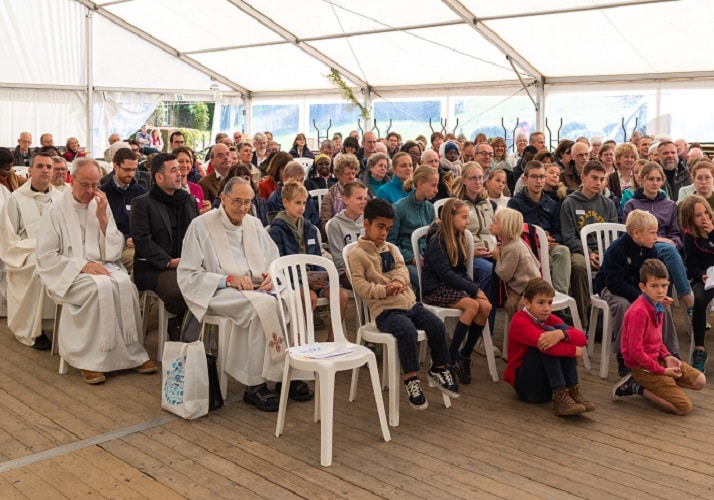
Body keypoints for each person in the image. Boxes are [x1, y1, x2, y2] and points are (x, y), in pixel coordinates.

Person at [178, 177, 309, 411]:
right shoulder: (201, 225)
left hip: (257, 286)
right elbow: (188, 273)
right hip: (219, 290)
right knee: (262, 307)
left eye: (247, 202)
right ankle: (255, 384)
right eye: (237, 201)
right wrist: (227, 279)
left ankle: (287, 373)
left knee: (291, 299)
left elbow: (272, 257)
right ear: (223, 199)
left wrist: (271, 274)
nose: (242, 208)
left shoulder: (254, 224)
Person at [36, 157, 156, 384]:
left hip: (102, 265)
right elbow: (46, 256)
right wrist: (81, 265)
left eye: (95, 185)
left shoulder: (99, 204)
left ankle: (131, 354)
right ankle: (89, 360)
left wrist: (102, 218)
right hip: (68, 273)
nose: (91, 191)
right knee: (96, 291)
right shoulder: (56, 210)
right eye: (85, 185)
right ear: (72, 181)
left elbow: (113, 251)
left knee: (126, 286)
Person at [347, 198, 458, 410]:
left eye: (388, 229)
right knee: (407, 332)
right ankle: (411, 379)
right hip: (386, 311)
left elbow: (403, 270)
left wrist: (399, 281)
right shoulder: (357, 255)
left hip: (409, 304)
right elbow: (361, 286)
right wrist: (384, 290)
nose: (384, 233)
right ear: (367, 224)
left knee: (436, 324)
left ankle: (439, 368)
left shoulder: (392, 248)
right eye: (380, 227)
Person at [612, 259, 706, 415]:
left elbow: (656, 339)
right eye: (654, 286)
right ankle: (635, 386)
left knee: (700, 381)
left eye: (664, 286)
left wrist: (667, 356)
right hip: (641, 367)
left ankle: (662, 385)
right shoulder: (639, 312)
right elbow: (635, 352)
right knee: (683, 407)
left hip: (657, 358)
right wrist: (663, 371)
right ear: (643, 287)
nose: (661, 291)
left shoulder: (658, 305)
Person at [594, 209, 681, 375]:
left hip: (639, 289)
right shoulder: (616, 250)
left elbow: (658, 274)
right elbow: (614, 283)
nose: (656, 237)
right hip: (610, 287)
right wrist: (642, 297)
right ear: (636, 233)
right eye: (653, 233)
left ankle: (670, 351)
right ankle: (623, 355)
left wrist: (661, 294)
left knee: (662, 306)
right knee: (622, 306)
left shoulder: (650, 248)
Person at [421, 199, 492, 384]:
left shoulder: (459, 237)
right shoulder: (437, 240)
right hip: (436, 287)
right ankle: (449, 359)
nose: (467, 222)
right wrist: (473, 289)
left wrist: (474, 288)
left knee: (486, 307)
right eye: (464, 217)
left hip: (452, 285)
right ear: (450, 217)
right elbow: (445, 274)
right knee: (472, 306)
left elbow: (460, 271)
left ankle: (465, 355)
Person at [269, 181, 348, 342]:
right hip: (291, 281)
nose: (302, 207)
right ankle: (304, 342)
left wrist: (320, 276)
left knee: (341, 296)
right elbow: (279, 265)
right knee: (309, 297)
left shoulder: (310, 228)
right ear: (285, 202)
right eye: (297, 203)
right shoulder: (276, 230)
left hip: (312, 280)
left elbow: (317, 258)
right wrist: (304, 281)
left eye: (304, 203)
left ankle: (332, 343)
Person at [131, 153, 198, 339]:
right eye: (174, 170)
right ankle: (181, 330)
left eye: (180, 169)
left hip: (188, 263)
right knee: (180, 289)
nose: (180, 173)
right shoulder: (142, 203)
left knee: (210, 284)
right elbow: (142, 241)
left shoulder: (188, 201)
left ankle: (194, 334)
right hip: (156, 267)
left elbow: (198, 235)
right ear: (159, 177)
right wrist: (169, 262)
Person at [504, 278, 594, 416]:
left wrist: (561, 334)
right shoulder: (519, 320)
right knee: (548, 335)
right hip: (527, 387)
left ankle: (571, 390)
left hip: (546, 386)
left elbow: (582, 338)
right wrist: (574, 351)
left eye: (550, 302)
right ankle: (560, 395)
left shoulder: (549, 318)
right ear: (527, 303)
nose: (547, 308)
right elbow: (547, 346)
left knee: (558, 331)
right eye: (541, 303)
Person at [0, 152, 61, 349]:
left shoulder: (60, 198)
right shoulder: (16, 199)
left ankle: (63, 323)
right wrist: (35, 248)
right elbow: (9, 237)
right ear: (30, 171)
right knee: (39, 266)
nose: (45, 170)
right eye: (40, 166)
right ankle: (34, 329)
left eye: (49, 167)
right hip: (24, 254)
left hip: (56, 250)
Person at [624, 161, 694, 313]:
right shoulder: (632, 205)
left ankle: (660, 314)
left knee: (667, 255)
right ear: (641, 180)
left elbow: (675, 235)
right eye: (650, 179)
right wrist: (660, 240)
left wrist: (673, 243)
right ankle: (689, 300)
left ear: (662, 181)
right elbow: (631, 235)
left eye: (658, 179)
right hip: (641, 247)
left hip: (667, 249)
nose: (655, 183)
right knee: (668, 251)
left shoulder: (670, 205)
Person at [560, 160, 618, 328]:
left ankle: (615, 321)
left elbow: (612, 235)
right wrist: (589, 253)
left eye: (602, 179)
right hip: (580, 250)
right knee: (578, 266)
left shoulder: (608, 204)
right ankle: (582, 322)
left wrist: (604, 253)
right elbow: (568, 237)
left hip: (605, 250)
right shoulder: (569, 203)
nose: (598, 183)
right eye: (594, 178)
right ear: (583, 178)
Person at [508, 160, 571, 296]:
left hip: (549, 244)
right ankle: (544, 297)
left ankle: (559, 296)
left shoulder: (551, 203)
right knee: (546, 260)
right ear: (525, 180)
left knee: (563, 251)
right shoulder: (515, 203)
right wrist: (535, 240)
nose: (538, 181)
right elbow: (512, 232)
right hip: (527, 247)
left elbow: (558, 230)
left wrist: (551, 239)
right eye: (534, 177)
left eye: (542, 177)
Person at [387, 166, 439, 290]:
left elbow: (432, 238)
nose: (436, 190)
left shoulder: (429, 208)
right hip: (406, 260)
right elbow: (390, 243)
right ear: (420, 184)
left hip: (427, 257)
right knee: (427, 283)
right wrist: (411, 258)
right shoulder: (399, 208)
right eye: (433, 185)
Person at [680, 195, 714, 372]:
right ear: (690, 219)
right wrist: (701, 276)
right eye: (698, 215)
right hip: (705, 277)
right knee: (699, 299)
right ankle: (699, 349)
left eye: (706, 213)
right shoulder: (689, 235)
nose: (704, 218)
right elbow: (691, 264)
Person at [100, 147, 147, 274]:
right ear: (115, 166)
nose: (131, 174)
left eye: (134, 170)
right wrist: (125, 238)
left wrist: (137, 238)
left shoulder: (140, 192)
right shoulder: (103, 193)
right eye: (127, 170)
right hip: (113, 245)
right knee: (137, 260)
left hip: (137, 243)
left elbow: (145, 221)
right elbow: (104, 223)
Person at [491, 207, 541, 318]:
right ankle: (515, 329)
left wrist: (497, 258)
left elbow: (505, 276)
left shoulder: (512, 248)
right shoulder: (518, 241)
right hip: (520, 286)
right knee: (511, 303)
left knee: (521, 307)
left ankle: (522, 330)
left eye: (495, 222)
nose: (491, 224)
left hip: (530, 287)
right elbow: (537, 263)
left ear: (505, 227)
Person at [327, 181, 368, 289]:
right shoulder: (335, 224)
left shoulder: (368, 220)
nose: (363, 202)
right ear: (346, 200)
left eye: (365, 199)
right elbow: (339, 260)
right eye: (359, 198)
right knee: (369, 284)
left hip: (369, 267)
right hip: (346, 271)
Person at [267, 160, 320, 227]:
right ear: (285, 179)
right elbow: (275, 226)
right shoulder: (274, 200)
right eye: (295, 180)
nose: (299, 184)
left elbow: (315, 223)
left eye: (302, 180)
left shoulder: (307, 198)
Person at [320, 153, 359, 233]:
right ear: (338, 175)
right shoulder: (330, 196)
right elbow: (325, 225)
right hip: (337, 234)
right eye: (347, 174)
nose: (352, 177)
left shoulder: (361, 191)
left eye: (353, 173)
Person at [174, 146, 210, 213]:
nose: (185, 165)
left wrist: (206, 209)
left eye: (188, 161)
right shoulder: (169, 189)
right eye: (180, 161)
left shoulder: (197, 188)